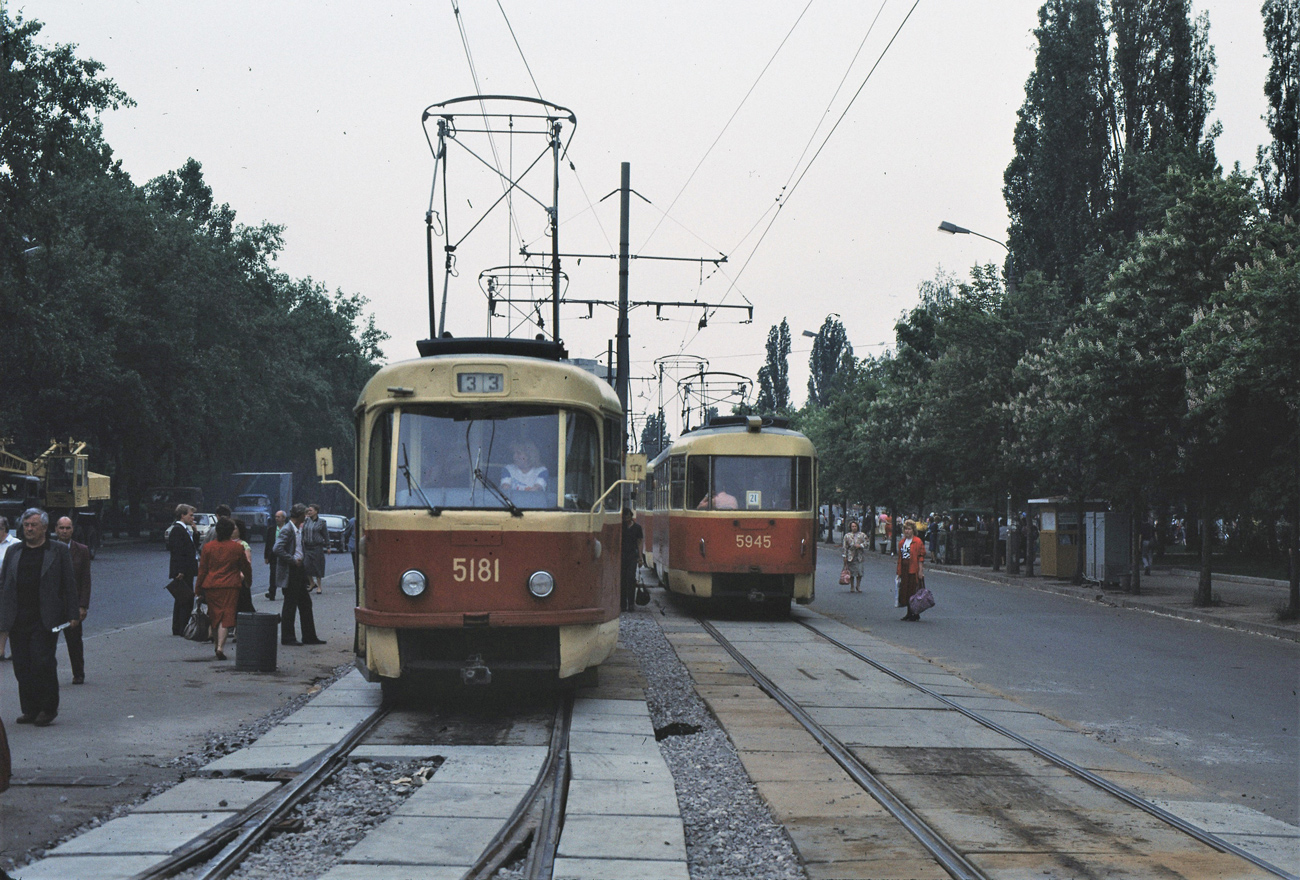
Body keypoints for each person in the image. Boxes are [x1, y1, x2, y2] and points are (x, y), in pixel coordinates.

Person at [0, 509, 79, 726]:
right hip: (18, 618)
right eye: (26, 525)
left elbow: (69, 585)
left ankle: (48, 708)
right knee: (22, 666)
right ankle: (30, 709)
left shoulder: (58, 550)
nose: (29, 529)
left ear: (44, 527)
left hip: (45, 618)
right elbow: (4, 585)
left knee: (42, 662)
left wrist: (73, 613)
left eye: (34, 525)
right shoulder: (14, 551)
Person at [196, 518, 252, 660]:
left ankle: (216, 645)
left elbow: (202, 570)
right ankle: (220, 646)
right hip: (230, 586)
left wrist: (198, 588)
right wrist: (248, 581)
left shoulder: (208, 547)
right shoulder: (237, 548)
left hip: (212, 586)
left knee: (214, 616)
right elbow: (246, 567)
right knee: (226, 616)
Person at [273, 503, 324, 646]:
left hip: (299, 570)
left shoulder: (297, 529)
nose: (306, 516)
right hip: (292, 571)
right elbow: (277, 548)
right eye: (305, 514)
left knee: (305, 603)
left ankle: (309, 636)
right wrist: (292, 560)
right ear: (299, 515)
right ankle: (288, 638)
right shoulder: (288, 529)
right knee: (290, 604)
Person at [53, 517, 91, 684]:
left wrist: (82, 605)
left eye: (67, 528)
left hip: (72, 605)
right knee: (47, 643)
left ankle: (78, 673)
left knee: (74, 642)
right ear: (56, 529)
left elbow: (85, 580)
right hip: (53, 604)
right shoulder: (49, 549)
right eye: (61, 528)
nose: (64, 531)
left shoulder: (82, 550)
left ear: (72, 530)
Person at [167, 505, 200, 636]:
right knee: (185, 599)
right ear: (182, 515)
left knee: (182, 598)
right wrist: (179, 570)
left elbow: (192, 548)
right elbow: (177, 552)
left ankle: (179, 627)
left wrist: (195, 533)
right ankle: (181, 627)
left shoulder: (185, 529)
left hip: (187, 569)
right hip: (183, 570)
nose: (193, 518)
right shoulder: (177, 530)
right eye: (191, 515)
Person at [897, 520, 926, 621]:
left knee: (914, 591)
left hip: (913, 568)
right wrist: (899, 572)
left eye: (909, 529)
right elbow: (900, 557)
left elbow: (921, 557)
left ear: (913, 530)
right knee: (905, 590)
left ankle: (915, 612)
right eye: (905, 529)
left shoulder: (917, 541)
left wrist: (920, 571)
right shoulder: (902, 542)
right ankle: (909, 612)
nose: (907, 531)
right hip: (904, 568)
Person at [0, 517, 20, 661]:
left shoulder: (15, 544)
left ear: (4, 529)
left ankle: (13, 650)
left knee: (9, 619)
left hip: (9, 587)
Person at [231, 519, 256, 618]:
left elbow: (247, 562)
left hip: (239, 579)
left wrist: (242, 575)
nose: (232, 530)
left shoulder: (243, 544)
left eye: (235, 528)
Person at [620, 508, 644, 612]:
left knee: (631, 578)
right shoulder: (621, 527)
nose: (627, 518)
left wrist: (640, 558)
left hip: (632, 556)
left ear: (631, 516)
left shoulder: (637, 528)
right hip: (622, 556)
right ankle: (623, 604)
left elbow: (639, 542)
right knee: (623, 580)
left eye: (628, 516)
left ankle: (630, 603)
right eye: (625, 517)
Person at [302, 504, 328, 594]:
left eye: (311, 510)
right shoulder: (306, 521)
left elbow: (325, 535)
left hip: (317, 546)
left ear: (316, 511)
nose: (309, 512)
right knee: (306, 565)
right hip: (307, 547)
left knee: (317, 566)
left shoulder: (322, 522)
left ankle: (319, 586)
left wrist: (328, 546)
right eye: (308, 510)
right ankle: (311, 583)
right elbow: (302, 532)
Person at [841, 518, 868, 593]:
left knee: (860, 572)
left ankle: (858, 585)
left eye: (855, 526)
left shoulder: (862, 535)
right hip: (850, 555)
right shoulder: (847, 536)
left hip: (859, 556)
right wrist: (844, 556)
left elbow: (867, 542)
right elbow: (844, 547)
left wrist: (861, 545)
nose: (854, 528)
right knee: (851, 572)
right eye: (852, 526)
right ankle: (852, 586)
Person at [264, 510, 286, 600]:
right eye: (276, 517)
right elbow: (268, 543)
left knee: (284, 574)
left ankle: (286, 592)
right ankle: (272, 592)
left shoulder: (288, 528)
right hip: (273, 555)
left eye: (279, 517)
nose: (277, 518)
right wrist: (266, 556)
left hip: (285, 555)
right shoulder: (272, 529)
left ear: (284, 518)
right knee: (273, 574)